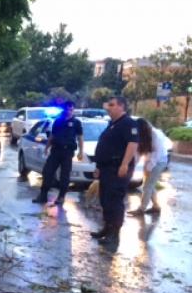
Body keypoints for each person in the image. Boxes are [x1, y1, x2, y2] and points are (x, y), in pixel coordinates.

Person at [90, 95, 139, 247]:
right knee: (105, 200)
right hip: (106, 168)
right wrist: (98, 166)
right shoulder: (113, 124)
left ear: (121, 106)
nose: (108, 108)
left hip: (117, 168)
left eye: (112, 105)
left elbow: (132, 144)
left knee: (114, 201)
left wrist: (124, 164)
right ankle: (107, 228)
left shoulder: (128, 123)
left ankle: (114, 235)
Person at [32, 101, 84, 206]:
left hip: (68, 152)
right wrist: (47, 147)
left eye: (71, 109)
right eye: (67, 109)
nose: (69, 111)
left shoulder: (76, 123)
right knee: (47, 172)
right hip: (56, 150)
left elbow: (80, 137)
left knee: (65, 175)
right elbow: (52, 135)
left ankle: (61, 197)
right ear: (64, 110)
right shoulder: (58, 121)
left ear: (73, 110)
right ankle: (43, 195)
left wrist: (81, 152)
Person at [127, 118, 168, 216]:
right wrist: (131, 167)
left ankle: (141, 209)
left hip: (160, 161)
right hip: (150, 161)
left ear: (143, 128)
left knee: (147, 186)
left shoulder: (156, 135)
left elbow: (157, 154)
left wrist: (148, 168)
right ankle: (156, 206)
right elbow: (137, 154)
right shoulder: (142, 136)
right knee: (150, 184)